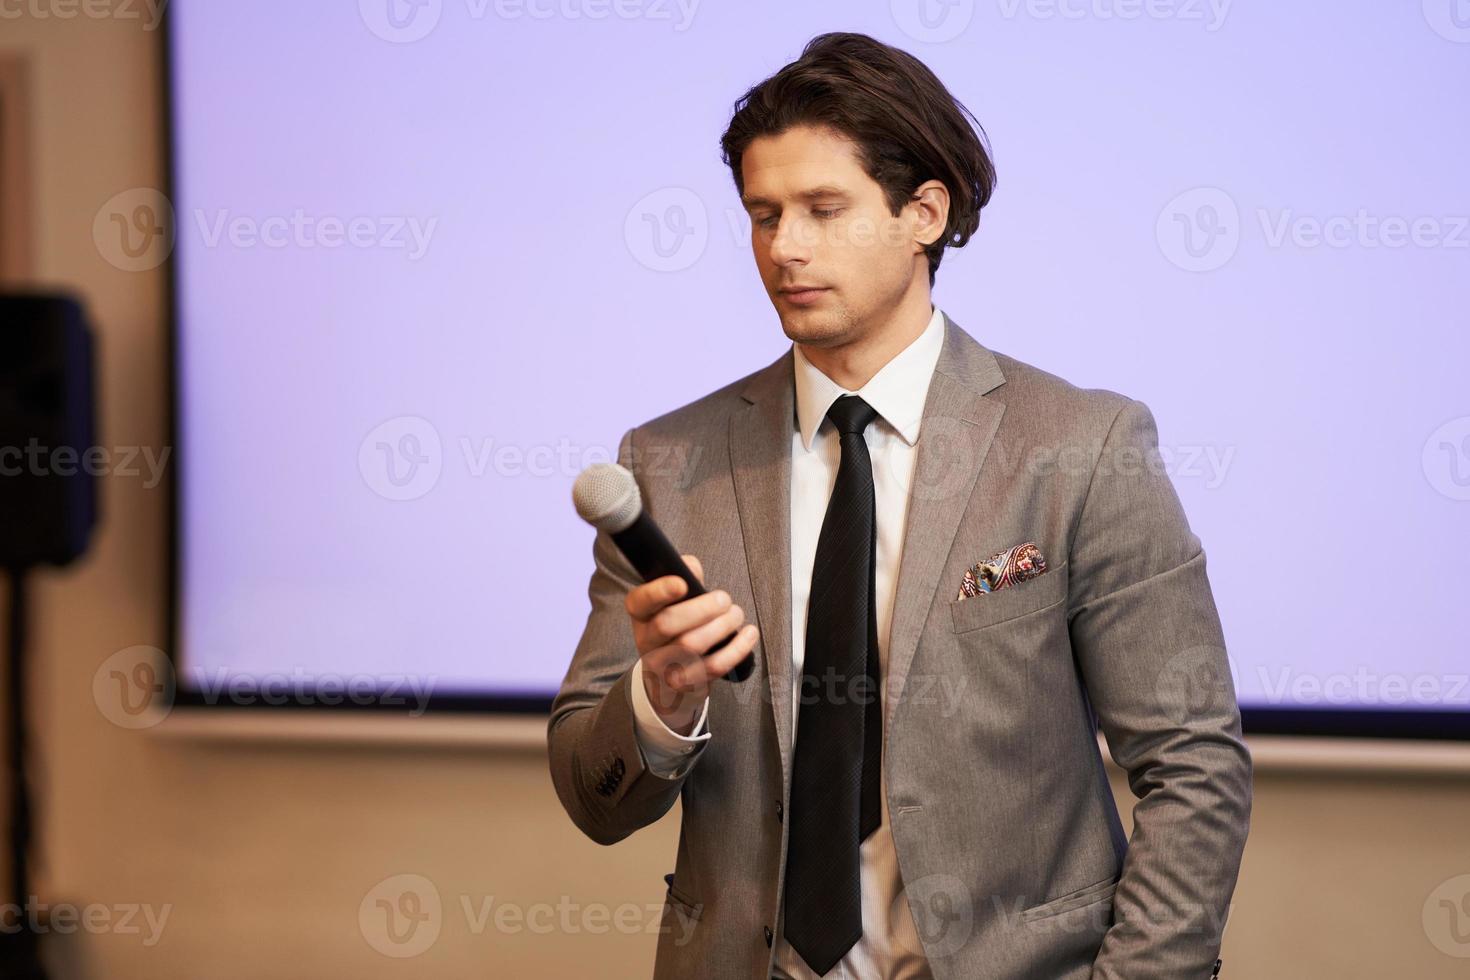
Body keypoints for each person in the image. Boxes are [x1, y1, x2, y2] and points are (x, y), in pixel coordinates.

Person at [548, 31, 1250, 980]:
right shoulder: (670, 465)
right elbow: (594, 801)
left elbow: (1194, 769)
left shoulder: (1080, 448)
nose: (783, 248)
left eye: (822, 209)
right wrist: (663, 702)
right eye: (762, 214)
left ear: (925, 212)